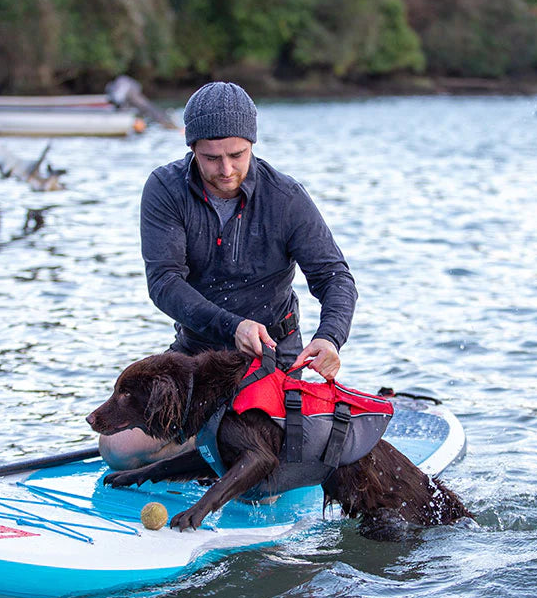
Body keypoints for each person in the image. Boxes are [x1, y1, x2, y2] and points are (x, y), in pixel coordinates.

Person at [99, 81, 357, 469]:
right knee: (116, 450)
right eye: (211, 158)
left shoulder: (286, 198)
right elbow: (164, 283)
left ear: (252, 144)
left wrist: (330, 337)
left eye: (237, 155)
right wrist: (231, 326)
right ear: (192, 150)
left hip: (273, 357)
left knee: (267, 470)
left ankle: (224, 444)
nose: (226, 170)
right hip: (195, 357)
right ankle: (210, 444)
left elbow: (335, 278)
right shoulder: (164, 189)